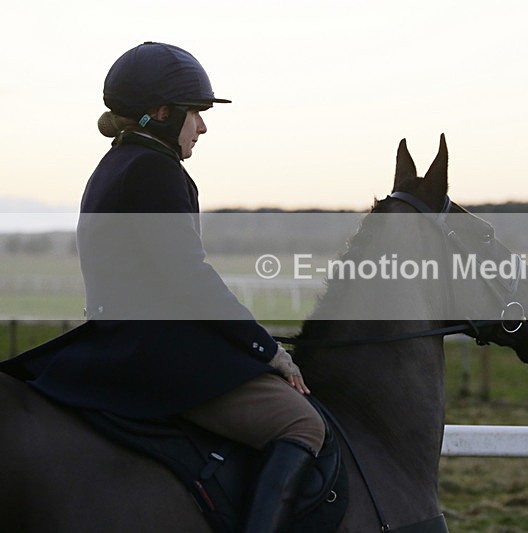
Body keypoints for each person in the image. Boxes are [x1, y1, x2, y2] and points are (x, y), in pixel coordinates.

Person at [0, 42, 325, 533]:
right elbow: (189, 276)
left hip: (109, 342)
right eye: (197, 114)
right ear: (163, 112)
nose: (204, 127)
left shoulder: (112, 166)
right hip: (157, 354)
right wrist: (266, 348)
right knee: (303, 423)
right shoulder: (158, 169)